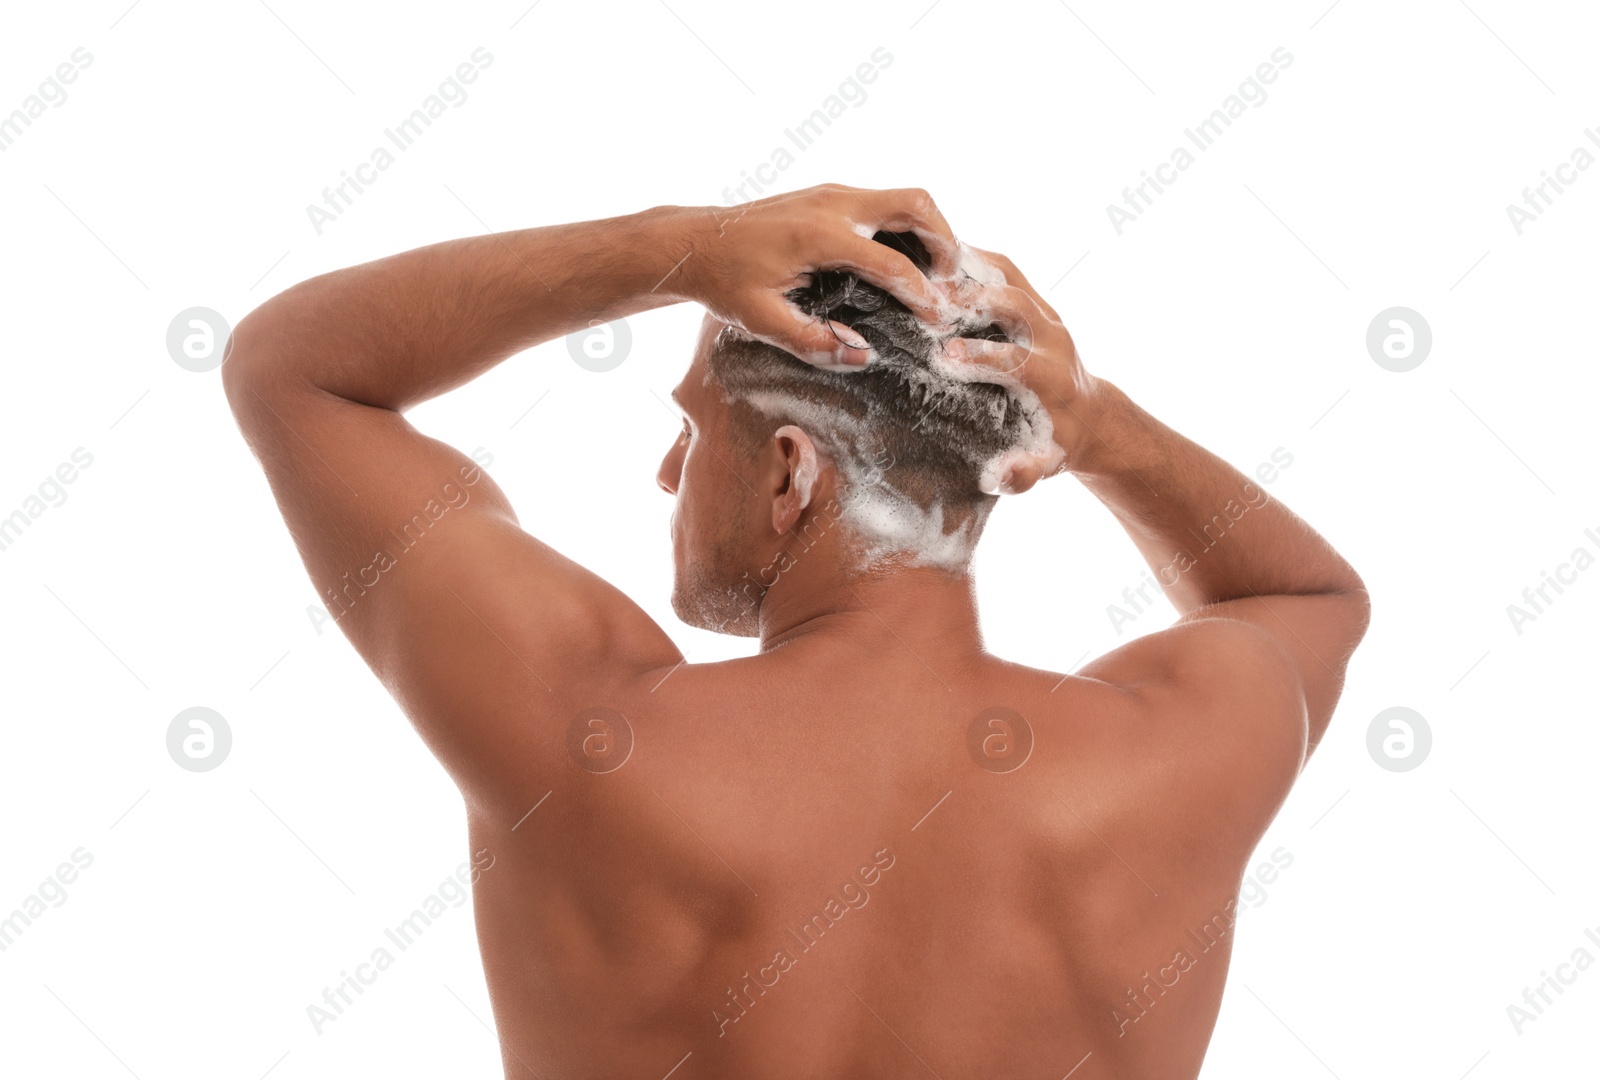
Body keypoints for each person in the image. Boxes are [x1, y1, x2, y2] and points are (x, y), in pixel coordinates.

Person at [223, 183, 1369, 1079]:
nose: (669, 469)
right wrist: (1098, 425)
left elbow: (296, 374)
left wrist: (675, 250)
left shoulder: (581, 726)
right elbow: (1307, 598)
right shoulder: (1165, 759)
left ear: (790, 471)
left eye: (694, 430)